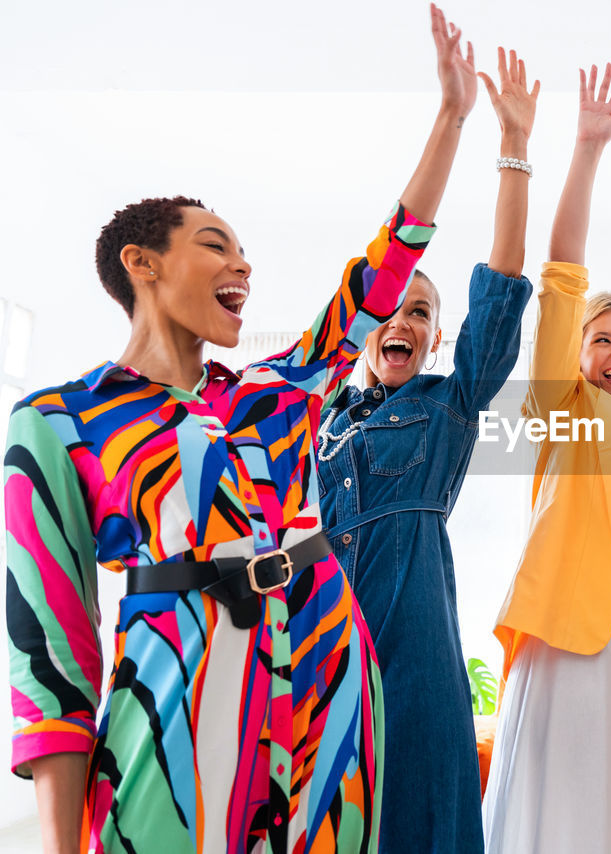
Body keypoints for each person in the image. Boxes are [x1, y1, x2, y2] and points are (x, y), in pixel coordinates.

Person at [3, 5, 467, 851]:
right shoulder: (53, 423)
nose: (243, 265)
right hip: (177, 705)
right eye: (216, 245)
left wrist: (451, 118)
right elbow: (49, 663)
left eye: (245, 252)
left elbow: (380, 274)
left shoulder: (278, 389)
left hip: (330, 671)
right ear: (142, 264)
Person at [313, 35, 536, 854]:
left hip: (414, 644)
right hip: (325, 632)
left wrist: (513, 149)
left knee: (423, 816)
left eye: (421, 312)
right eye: (393, 309)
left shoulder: (450, 402)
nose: (402, 320)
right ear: (366, 328)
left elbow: (502, 293)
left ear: (436, 340)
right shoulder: (320, 414)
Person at [482, 63, 611, 854]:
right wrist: (586, 148)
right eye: (602, 337)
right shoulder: (565, 414)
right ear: (574, 356)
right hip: (576, 638)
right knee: (565, 813)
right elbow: (563, 270)